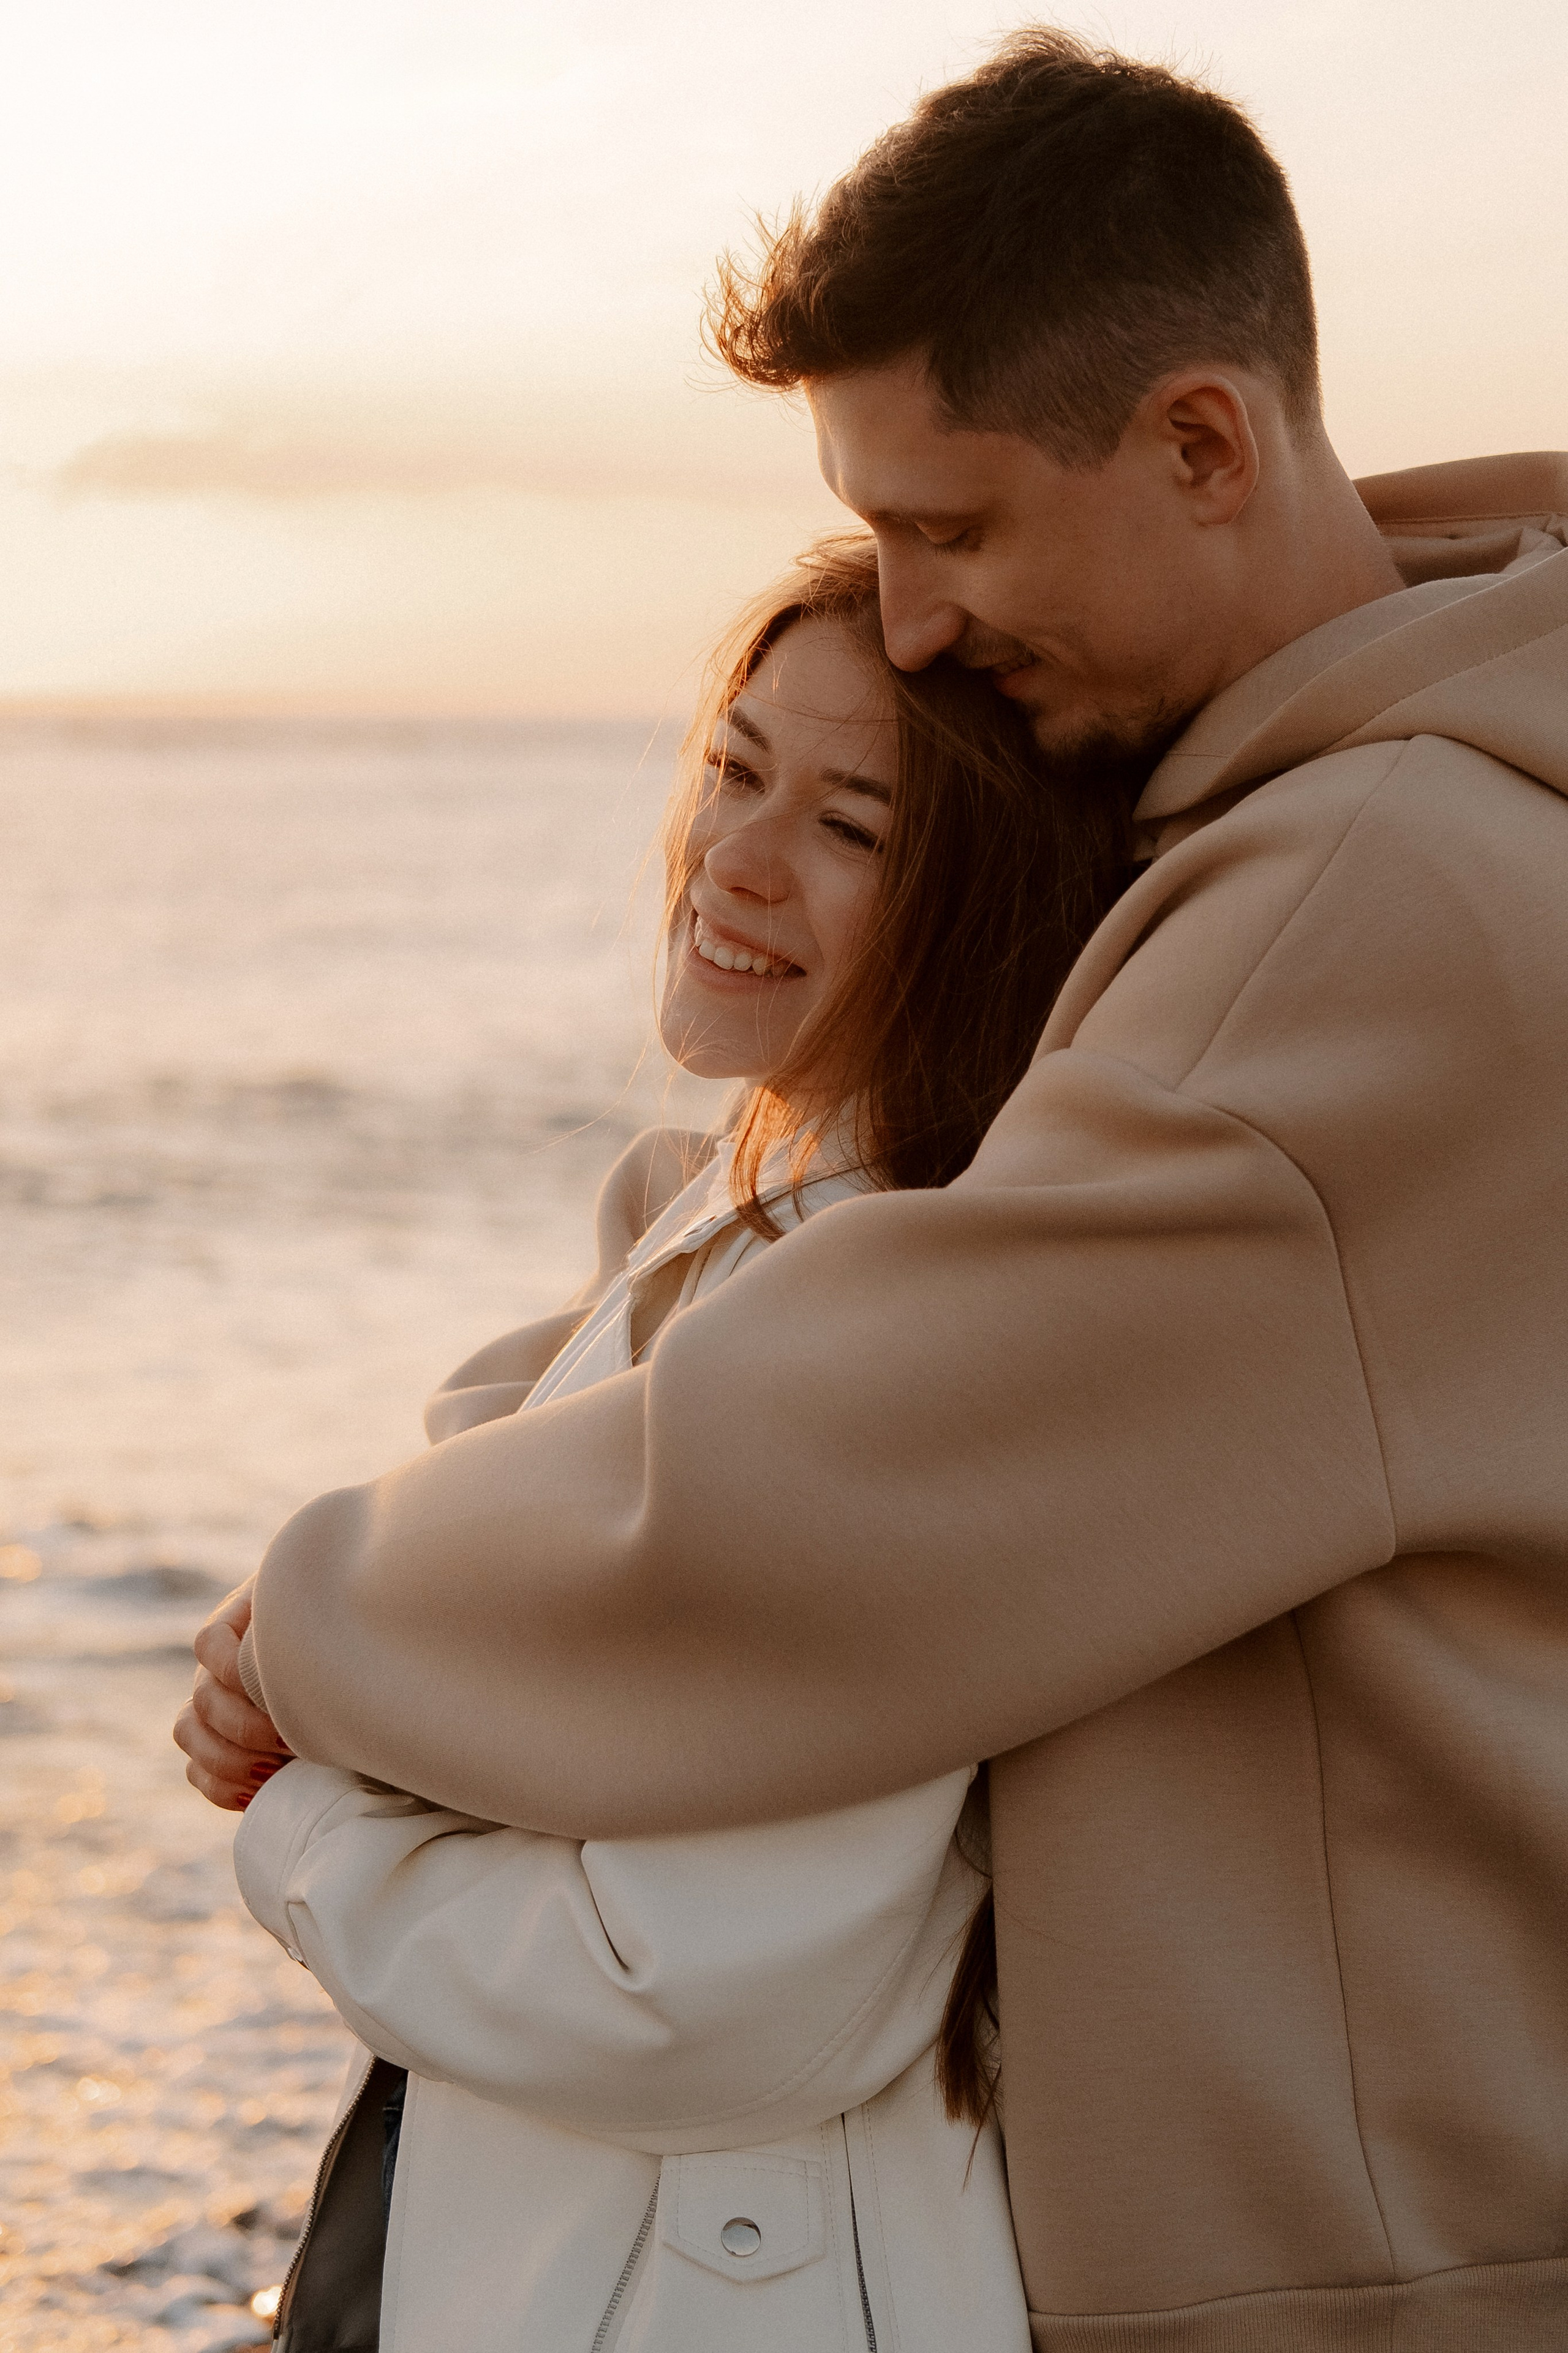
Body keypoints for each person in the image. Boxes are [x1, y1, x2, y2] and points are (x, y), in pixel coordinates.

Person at [181, 30, 1568, 2351]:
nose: (915, 621)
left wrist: (310, 1624)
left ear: (1204, 440)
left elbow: (821, 1487)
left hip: (1347, 2257)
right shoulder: (1345, 815)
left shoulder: (1362, 902)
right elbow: (898, 1229)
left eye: (954, 526)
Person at [205, 534, 1126, 2352]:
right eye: (735, 766)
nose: (740, 856)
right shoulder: (727, 1221)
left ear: (985, 900)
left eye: (852, 826)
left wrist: (304, 1817)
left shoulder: (897, 1320)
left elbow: (696, 1988)